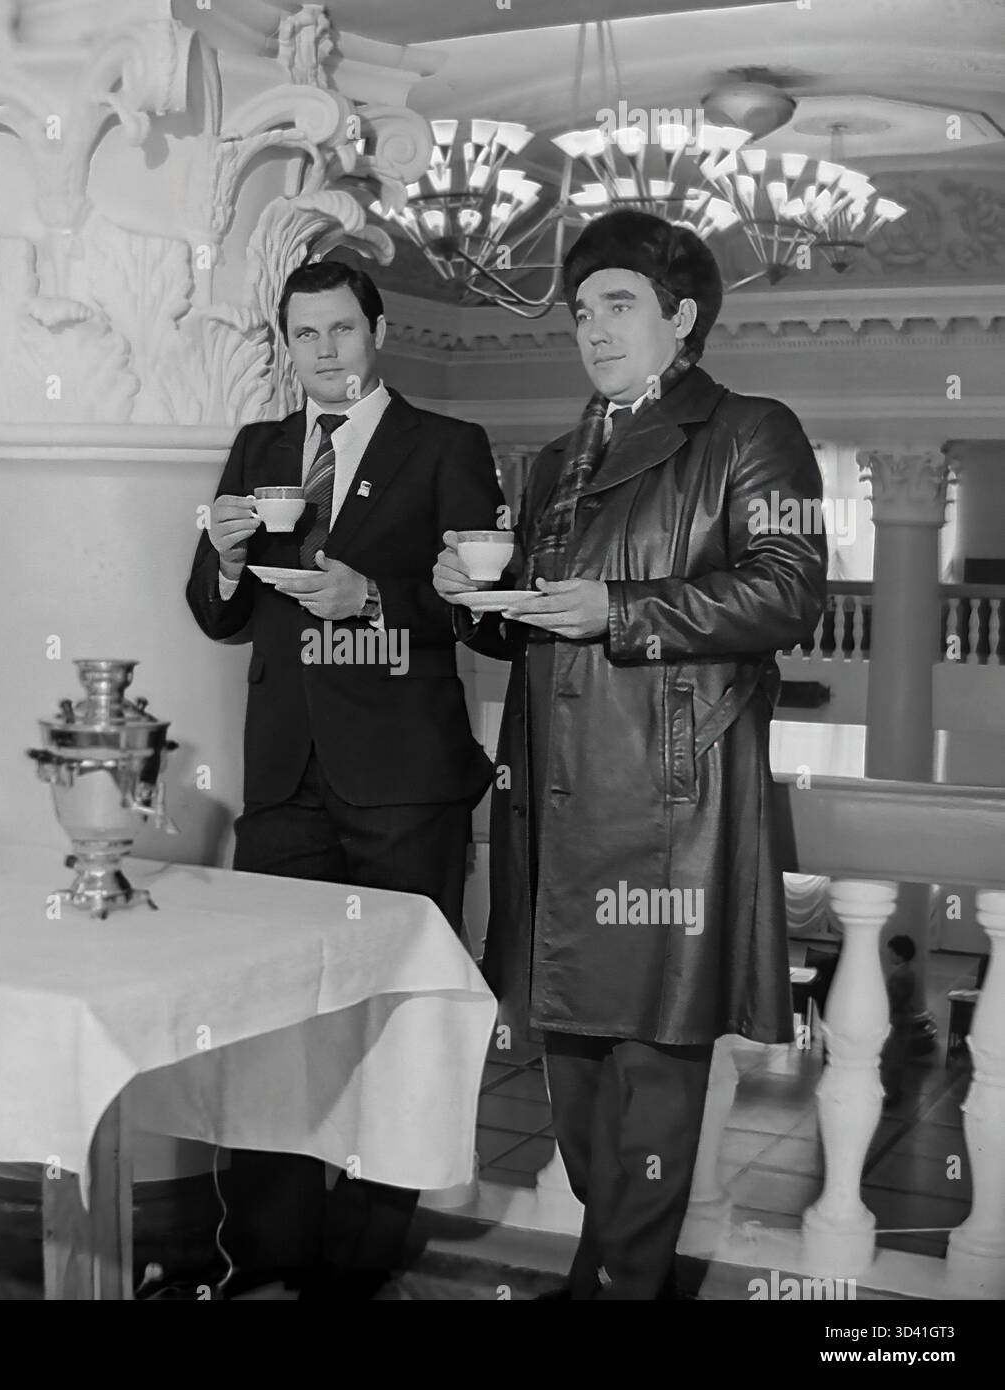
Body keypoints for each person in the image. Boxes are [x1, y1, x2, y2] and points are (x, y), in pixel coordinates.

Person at [433, 209, 828, 1300]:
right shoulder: (558, 459)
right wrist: (475, 605)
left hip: (668, 807)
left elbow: (790, 585)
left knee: (653, 1072)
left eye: (617, 306)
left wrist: (620, 606)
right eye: (579, 312)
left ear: (680, 316)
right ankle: (605, 1269)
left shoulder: (751, 430)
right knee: (570, 1081)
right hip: (553, 805)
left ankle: (626, 1283)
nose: (592, 330)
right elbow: (536, 623)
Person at [186, 258, 505, 1299]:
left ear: (376, 331)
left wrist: (370, 593)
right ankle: (267, 1258)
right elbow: (217, 612)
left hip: (403, 780)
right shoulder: (258, 448)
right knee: (266, 1021)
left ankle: (360, 1267)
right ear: (286, 343)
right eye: (303, 334)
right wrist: (225, 557)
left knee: (397, 1023)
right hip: (283, 779)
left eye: (339, 329)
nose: (322, 351)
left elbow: (477, 611)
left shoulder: (448, 446)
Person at [880, 935, 918, 1106]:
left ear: (899, 954)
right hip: (902, 1020)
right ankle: (893, 1091)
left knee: (892, 1059)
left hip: (897, 1021)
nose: (889, 956)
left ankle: (891, 1093)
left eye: (891, 953)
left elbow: (894, 1000)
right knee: (896, 1058)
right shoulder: (907, 972)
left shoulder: (901, 976)